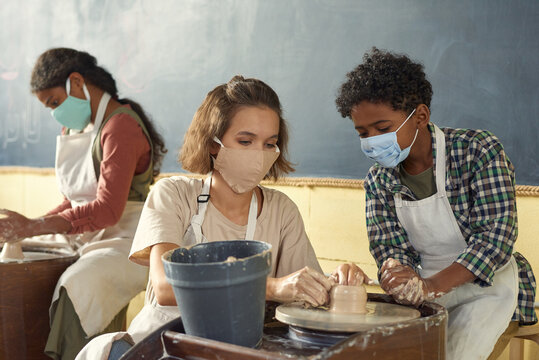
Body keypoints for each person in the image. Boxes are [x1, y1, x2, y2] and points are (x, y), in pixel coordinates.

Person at [76, 75, 369, 360]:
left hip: (238, 350)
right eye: (245, 141)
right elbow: (166, 287)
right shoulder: (173, 195)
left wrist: (336, 282)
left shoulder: (282, 211)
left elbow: (302, 298)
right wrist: (271, 287)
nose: (259, 154)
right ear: (213, 143)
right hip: (162, 344)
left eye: (270, 144)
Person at [334, 47, 537, 360]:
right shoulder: (378, 180)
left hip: (487, 288)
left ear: (420, 116)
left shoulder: (477, 151)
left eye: (383, 129)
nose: (372, 140)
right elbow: (390, 247)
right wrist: (395, 270)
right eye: (362, 133)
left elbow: (496, 239)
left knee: (453, 354)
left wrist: (431, 286)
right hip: (424, 289)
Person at [0, 48, 167, 360]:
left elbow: (106, 210)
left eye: (54, 103)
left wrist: (33, 226)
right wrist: (26, 228)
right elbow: (71, 201)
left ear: (76, 82)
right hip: (86, 230)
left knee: (77, 286)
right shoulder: (75, 128)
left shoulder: (120, 126)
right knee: (21, 262)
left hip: (128, 239)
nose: (54, 113)